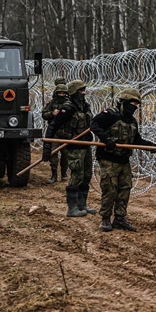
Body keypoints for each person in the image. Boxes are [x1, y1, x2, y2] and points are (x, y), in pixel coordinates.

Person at [89, 88, 156, 233]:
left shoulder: (132, 121)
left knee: (124, 189)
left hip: (124, 160)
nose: (134, 106)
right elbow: (94, 124)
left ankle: (119, 219)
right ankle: (105, 218)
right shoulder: (110, 115)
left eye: (136, 104)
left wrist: (151, 146)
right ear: (123, 102)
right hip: (108, 159)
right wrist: (106, 139)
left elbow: (136, 140)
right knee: (110, 189)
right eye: (132, 103)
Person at [43, 80, 95, 217]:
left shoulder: (85, 106)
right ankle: (71, 209)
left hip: (86, 145)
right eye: (80, 90)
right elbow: (52, 126)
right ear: (73, 92)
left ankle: (82, 205)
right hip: (74, 145)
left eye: (84, 90)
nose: (83, 93)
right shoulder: (68, 108)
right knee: (77, 175)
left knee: (87, 175)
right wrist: (47, 146)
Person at [41, 77, 70, 183]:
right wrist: (52, 114)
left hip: (66, 132)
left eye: (63, 93)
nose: (61, 95)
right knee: (53, 154)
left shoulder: (69, 104)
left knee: (66, 154)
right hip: (54, 132)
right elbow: (44, 114)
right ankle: (54, 175)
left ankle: (64, 173)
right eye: (60, 93)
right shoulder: (52, 104)